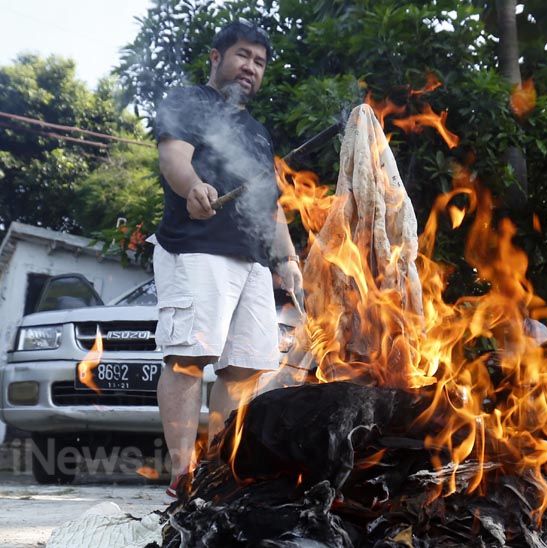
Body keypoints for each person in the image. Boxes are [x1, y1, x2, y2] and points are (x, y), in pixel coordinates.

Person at [148, 20, 302, 497]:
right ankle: (182, 474)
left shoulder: (257, 132)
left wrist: (288, 258)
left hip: (252, 261)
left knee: (244, 369)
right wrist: (194, 187)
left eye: (259, 62)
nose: (250, 67)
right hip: (196, 249)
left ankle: (218, 472)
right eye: (242, 55)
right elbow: (174, 158)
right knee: (190, 358)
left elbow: (270, 204)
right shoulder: (187, 101)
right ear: (216, 57)